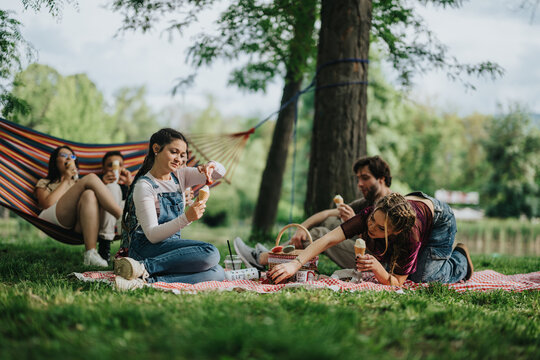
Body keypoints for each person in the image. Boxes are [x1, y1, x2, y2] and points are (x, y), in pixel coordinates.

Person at [268, 192, 474, 286]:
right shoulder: (371, 215)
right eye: (373, 220)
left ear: (395, 231)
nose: (370, 227)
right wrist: (295, 264)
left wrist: (377, 267)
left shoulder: (410, 235)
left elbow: (397, 282)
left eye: (380, 227)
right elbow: (330, 238)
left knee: (421, 277)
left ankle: (460, 260)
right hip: (414, 207)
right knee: (408, 267)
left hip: (440, 220)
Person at [113, 128, 226, 290]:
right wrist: (186, 218)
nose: (179, 159)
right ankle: (144, 267)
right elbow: (152, 235)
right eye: (174, 152)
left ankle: (145, 281)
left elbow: (219, 174)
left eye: (182, 155)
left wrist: (211, 165)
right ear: (156, 149)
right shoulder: (144, 186)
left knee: (217, 272)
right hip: (146, 248)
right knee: (210, 252)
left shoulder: (180, 175)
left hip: (170, 247)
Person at [235, 155, 392, 270]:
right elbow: (325, 214)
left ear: (382, 179)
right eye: (358, 178)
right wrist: (300, 229)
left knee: (319, 234)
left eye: (365, 178)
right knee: (329, 222)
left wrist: (354, 225)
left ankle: (263, 259)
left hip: (376, 263)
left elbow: (385, 246)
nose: (359, 184)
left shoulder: (392, 205)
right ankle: (274, 255)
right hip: (362, 255)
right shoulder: (366, 202)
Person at [35, 146, 123, 267]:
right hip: (52, 217)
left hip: (77, 223)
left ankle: (90, 254)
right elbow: (47, 204)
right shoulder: (44, 182)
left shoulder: (78, 183)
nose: (69, 158)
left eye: (72, 156)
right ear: (55, 161)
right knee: (91, 177)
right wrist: (66, 179)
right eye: (64, 155)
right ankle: (121, 217)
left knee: (89, 194)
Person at [97, 151, 133, 262]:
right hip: (101, 215)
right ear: (103, 169)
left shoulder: (128, 184)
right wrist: (102, 185)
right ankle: (105, 245)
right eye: (110, 165)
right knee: (112, 187)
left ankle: (127, 249)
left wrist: (130, 185)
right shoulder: (98, 181)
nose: (115, 168)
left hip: (123, 217)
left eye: (119, 164)